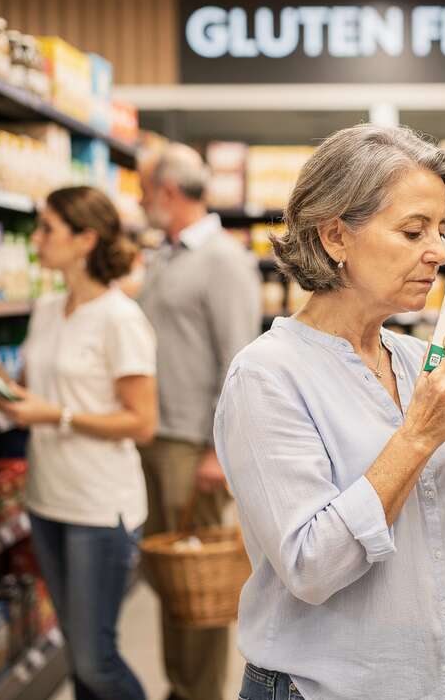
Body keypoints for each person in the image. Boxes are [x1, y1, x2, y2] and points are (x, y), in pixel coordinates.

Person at [213, 124, 445, 700]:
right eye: (413, 231)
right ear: (335, 235)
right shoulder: (267, 376)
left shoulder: (418, 360)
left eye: (441, 230)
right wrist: (416, 436)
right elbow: (310, 567)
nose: (439, 252)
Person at [0, 186, 157, 700]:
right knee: (78, 655)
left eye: (47, 228)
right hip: (47, 500)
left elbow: (142, 423)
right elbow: (32, 394)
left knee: (96, 660)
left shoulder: (120, 318)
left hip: (99, 506)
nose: (36, 239)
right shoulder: (46, 308)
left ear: (86, 239)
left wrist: (57, 415)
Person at [137, 143, 262, 700]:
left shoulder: (223, 259)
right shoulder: (165, 255)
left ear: (167, 191)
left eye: (144, 190)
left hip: (191, 444)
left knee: (200, 581)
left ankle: (201, 691)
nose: (141, 202)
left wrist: (219, 449)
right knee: (171, 577)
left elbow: (238, 359)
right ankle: (180, 685)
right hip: (155, 434)